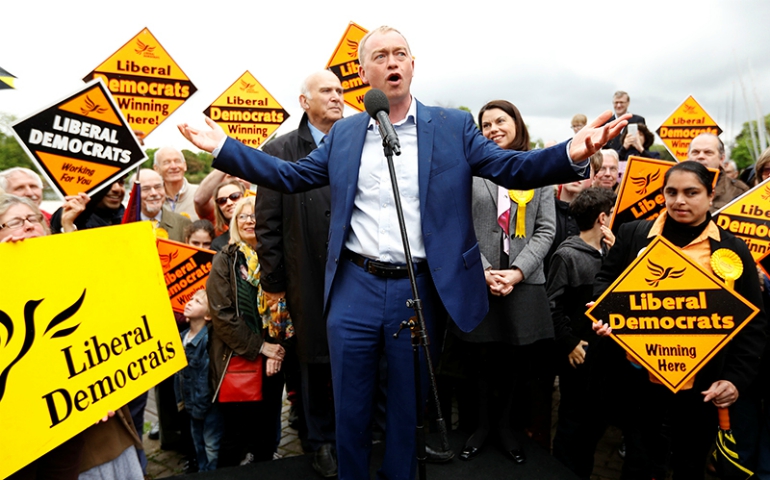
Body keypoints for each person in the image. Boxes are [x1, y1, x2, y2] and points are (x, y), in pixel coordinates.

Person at [178, 25, 628, 480]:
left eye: (400, 53)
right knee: (350, 404)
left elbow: (511, 166)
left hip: (418, 286)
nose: (392, 62)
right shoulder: (346, 133)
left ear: (413, 64)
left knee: (406, 405)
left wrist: (569, 152)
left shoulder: (453, 126)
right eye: (380, 56)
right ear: (363, 72)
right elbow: (290, 176)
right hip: (354, 285)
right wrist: (222, 147)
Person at [592, 161, 767, 478]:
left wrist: (735, 379)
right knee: (639, 465)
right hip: (640, 382)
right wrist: (606, 311)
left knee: (689, 465)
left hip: (701, 389)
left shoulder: (732, 248)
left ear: (710, 196)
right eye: (671, 192)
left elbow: (752, 325)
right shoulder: (634, 234)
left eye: (691, 192)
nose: (679, 201)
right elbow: (606, 280)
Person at [1, 195, 144, 480]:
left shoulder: (64, 268)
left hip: (109, 426)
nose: (27, 227)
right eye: (14, 222)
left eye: (32, 219)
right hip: (56, 448)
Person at [452, 100, 555, 464]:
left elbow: (546, 229)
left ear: (517, 123)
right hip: (478, 279)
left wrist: (517, 271)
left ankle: (506, 426)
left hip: (523, 282)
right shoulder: (469, 170)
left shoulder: (538, 169)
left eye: (500, 120)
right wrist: (482, 269)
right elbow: (459, 225)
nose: (493, 128)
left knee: (514, 358)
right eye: (486, 124)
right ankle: (480, 426)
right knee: (480, 359)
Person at [254, 70, 343, 477]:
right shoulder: (281, 149)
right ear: (304, 101)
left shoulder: (357, 143)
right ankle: (319, 440)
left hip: (355, 274)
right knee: (312, 364)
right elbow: (267, 224)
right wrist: (275, 287)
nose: (337, 97)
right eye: (327, 91)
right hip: (303, 277)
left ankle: (357, 433)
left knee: (355, 358)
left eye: (341, 90)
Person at [206, 197, 287, 466]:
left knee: (266, 434)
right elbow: (222, 314)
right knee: (235, 436)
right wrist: (260, 347)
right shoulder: (225, 261)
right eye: (242, 216)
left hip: (274, 356)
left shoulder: (278, 258)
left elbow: (287, 307)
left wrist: (276, 351)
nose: (249, 220)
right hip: (238, 357)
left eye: (255, 215)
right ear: (234, 223)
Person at [547, 187, 616, 479]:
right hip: (577, 354)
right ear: (603, 218)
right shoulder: (567, 256)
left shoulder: (610, 252)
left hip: (602, 356)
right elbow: (551, 305)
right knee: (571, 423)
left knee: (594, 424)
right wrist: (570, 342)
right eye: (611, 214)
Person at [174, 289, 223, 472]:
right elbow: (178, 376)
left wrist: (199, 408)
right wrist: (181, 402)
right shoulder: (182, 338)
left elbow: (205, 379)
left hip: (206, 407)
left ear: (208, 316)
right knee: (198, 445)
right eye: (190, 299)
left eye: (197, 302)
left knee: (211, 446)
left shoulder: (206, 342)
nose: (189, 303)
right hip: (191, 406)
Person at [687, 133, 749, 212]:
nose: (701, 156)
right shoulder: (673, 184)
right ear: (688, 156)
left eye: (708, 152)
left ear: (721, 158)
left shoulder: (739, 191)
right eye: (695, 152)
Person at [133, 169, 192, 242]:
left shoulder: (183, 224)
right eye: (146, 189)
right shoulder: (124, 224)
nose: (154, 193)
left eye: (158, 187)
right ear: (132, 194)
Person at [154, 146, 199, 220]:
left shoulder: (200, 194)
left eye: (177, 161)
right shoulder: (150, 199)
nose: (173, 166)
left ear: (185, 165)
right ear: (156, 169)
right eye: (166, 162)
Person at [209, 180, 245, 251]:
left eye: (235, 196)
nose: (229, 203)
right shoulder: (218, 244)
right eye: (222, 200)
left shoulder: (264, 231)